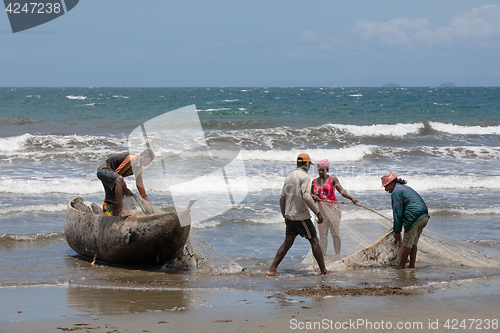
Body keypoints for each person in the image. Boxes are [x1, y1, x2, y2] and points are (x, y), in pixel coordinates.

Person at [266, 153, 333, 276]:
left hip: (290, 216)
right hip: (301, 216)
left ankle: (272, 269)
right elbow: (306, 196)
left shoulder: (289, 176)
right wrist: (318, 213)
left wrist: (284, 216)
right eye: (309, 164)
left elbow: (282, 198)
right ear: (306, 164)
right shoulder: (304, 176)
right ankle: (324, 271)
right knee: (314, 241)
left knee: (287, 243)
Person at [311, 159, 360, 256]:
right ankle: (323, 257)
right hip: (321, 212)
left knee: (335, 234)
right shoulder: (314, 181)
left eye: (323, 170)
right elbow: (309, 195)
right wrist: (314, 197)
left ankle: (337, 255)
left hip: (334, 210)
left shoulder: (332, 179)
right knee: (323, 236)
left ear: (327, 170)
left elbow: (342, 191)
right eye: (319, 170)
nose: (320, 172)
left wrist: (352, 199)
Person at [381, 172, 429, 269]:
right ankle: (411, 266)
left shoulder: (396, 192)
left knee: (407, 243)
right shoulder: (404, 188)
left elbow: (397, 213)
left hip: (414, 217)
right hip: (424, 216)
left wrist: (397, 231)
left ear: (392, 184)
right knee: (413, 243)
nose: (386, 190)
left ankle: (401, 267)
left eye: (386, 186)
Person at [97, 149, 155, 218]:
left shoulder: (140, 167)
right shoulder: (133, 159)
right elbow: (117, 174)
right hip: (104, 171)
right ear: (144, 156)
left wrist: (146, 199)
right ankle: (121, 210)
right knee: (119, 180)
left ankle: (116, 222)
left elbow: (139, 184)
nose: (149, 164)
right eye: (149, 161)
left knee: (114, 201)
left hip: (113, 176)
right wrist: (125, 188)